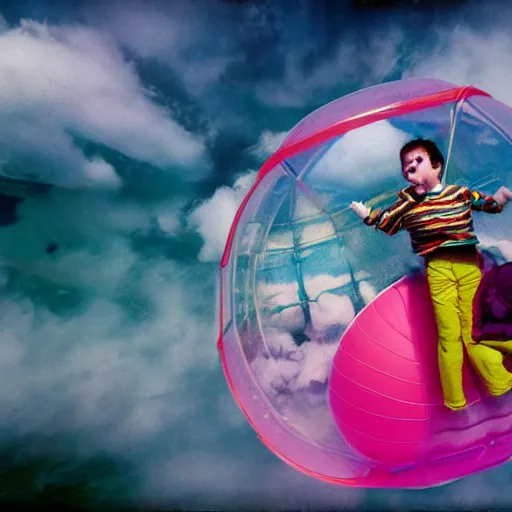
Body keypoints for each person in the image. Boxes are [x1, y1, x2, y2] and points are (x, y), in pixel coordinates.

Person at [350, 138, 512, 411]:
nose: (410, 166)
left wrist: (499, 198)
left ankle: (499, 382)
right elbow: (387, 223)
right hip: (437, 269)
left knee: (475, 329)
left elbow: (486, 204)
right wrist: (368, 214)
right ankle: (455, 399)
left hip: (469, 264)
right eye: (406, 164)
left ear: (436, 166)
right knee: (449, 334)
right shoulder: (407, 203)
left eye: (418, 160)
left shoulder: (457, 193)